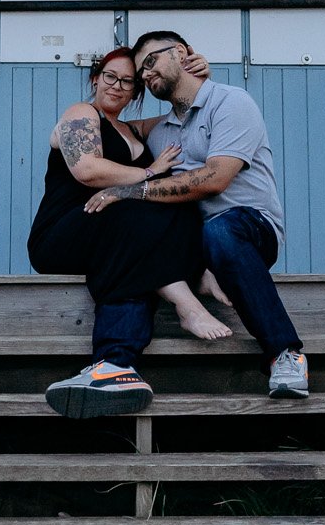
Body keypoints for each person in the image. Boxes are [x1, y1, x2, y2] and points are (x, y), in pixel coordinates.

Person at [77, 30, 309, 400]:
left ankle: (285, 353)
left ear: (182, 53)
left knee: (218, 232)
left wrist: (134, 189)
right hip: (191, 244)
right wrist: (79, 115)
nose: (146, 75)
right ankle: (115, 365)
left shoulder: (231, 102)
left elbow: (215, 179)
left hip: (247, 229)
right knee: (134, 244)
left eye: (151, 61)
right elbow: (113, 127)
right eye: (141, 74)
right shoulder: (162, 130)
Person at [28, 46, 231, 419]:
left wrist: (200, 77)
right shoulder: (81, 114)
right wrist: (149, 174)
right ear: (95, 78)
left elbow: (186, 112)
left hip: (113, 240)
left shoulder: (136, 129)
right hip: (61, 234)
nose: (118, 86)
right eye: (110, 77)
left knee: (177, 201)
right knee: (141, 202)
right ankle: (187, 297)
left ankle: (115, 366)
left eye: (129, 82)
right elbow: (87, 170)